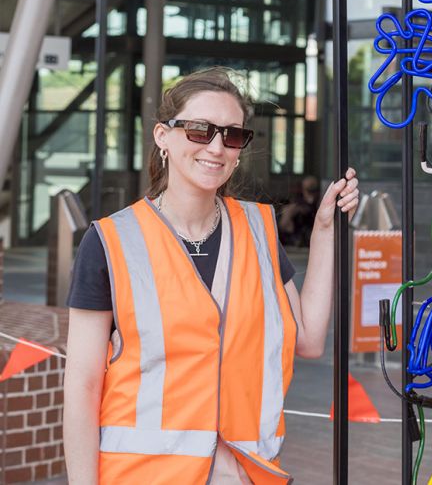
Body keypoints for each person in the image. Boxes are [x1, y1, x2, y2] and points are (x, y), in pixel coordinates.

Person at [63, 68, 360, 484]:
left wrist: (325, 231)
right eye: (200, 130)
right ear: (163, 137)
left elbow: (308, 339)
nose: (217, 147)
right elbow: (82, 387)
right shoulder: (111, 241)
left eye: (232, 135)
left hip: (241, 473)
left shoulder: (258, 230)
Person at [278, 175, 321, 247]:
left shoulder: (320, 203)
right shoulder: (296, 205)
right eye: (308, 190)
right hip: (298, 243)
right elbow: (284, 226)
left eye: (313, 190)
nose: (311, 193)